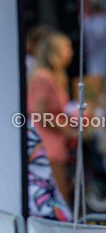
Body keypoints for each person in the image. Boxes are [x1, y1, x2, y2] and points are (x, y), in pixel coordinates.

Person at [28, 31, 77, 205]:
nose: (70, 52)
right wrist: (67, 130)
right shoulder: (44, 77)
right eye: (67, 48)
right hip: (49, 143)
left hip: (54, 141)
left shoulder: (53, 76)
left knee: (62, 192)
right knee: (60, 195)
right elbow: (40, 114)